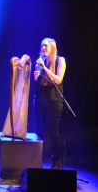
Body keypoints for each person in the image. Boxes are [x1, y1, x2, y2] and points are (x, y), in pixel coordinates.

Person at [33, 38, 67, 169]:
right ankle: (36, 159)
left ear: (52, 47)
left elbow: (58, 80)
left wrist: (44, 69)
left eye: (45, 46)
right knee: (39, 129)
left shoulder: (60, 60)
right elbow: (39, 80)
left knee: (53, 130)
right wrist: (37, 75)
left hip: (54, 100)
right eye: (41, 46)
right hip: (41, 99)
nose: (43, 48)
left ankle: (56, 159)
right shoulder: (41, 60)